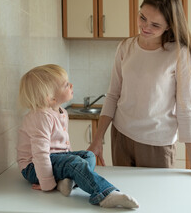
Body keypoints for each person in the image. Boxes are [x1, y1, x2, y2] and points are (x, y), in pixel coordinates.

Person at [88, 0, 191, 180]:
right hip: (121, 136)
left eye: (155, 25)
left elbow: (186, 107)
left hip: (157, 143)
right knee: (123, 200)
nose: (145, 27)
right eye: (142, 18)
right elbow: (113, 94)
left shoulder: (179, 53)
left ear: (169, 26)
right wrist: (97, 139)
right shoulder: (126, 47)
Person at [17, 64, 139, 208]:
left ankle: (66, 181)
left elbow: (65, 147)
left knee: (89, 156)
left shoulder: (61, 111)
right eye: (66, 85)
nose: (71, 85)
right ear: (50, 98)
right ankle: (105, 194)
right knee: (75, 163)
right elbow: (40, 153)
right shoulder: (41, 117)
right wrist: (47, 183)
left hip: (54, 160)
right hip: (34, 167)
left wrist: (70, 161)